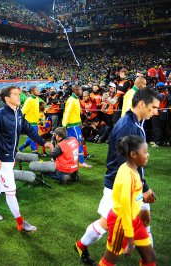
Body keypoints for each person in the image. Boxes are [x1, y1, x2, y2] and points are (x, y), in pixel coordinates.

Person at [74, 89, 159, 265]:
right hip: (119, 187)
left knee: (143, 221)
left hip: (132, 185)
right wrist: (144, 188)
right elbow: (125, 166)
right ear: (142, 104)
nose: (156, 112)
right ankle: (82, 245)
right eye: (153, 107)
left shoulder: (136, 122)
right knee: (107, 224)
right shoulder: (128, 126)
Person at [0, 86, 53, 232]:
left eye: (19, 94)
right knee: (11, 191)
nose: (19, 97)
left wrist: (43, 143)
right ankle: (20, 222)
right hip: (1, 159)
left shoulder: (18, 113)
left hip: (10, 157)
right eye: (15, 94)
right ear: (7, 98)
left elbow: (29, 130)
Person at [98, 135, 156, 266]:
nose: (148, 155)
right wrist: (130, 242)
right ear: (134, 154)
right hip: (121, 221)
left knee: (150, 258)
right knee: (110, 260)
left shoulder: (131, 169)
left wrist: (143, 199)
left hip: (133, 219)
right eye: (145, 152)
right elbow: (125, 210)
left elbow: (133, 197)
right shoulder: (127, 176)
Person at [62, 84, 92, 168]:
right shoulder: (71, 100)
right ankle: (81, 161)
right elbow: (67, 112)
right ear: (75, 90)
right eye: (80, 90)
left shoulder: (75, 99)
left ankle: (72, 159)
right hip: (72, 125)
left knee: (72, 143)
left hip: (75, 124)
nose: (81, 91)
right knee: (78, 142)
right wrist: (64, 125)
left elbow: (76, 112)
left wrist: (80, 122)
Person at [19, 86, 42, 153]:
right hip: (30, 122)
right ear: (32, 92)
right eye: (36, 90)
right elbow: (23, 111)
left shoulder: (37, 98)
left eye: (38, 89)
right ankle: (34, 152)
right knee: (34, 137)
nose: (38, 91)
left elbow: (36, 110)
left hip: (35, 121)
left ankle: (22, 147)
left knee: (32, 137)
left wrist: (39, 118)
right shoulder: (29, 100)